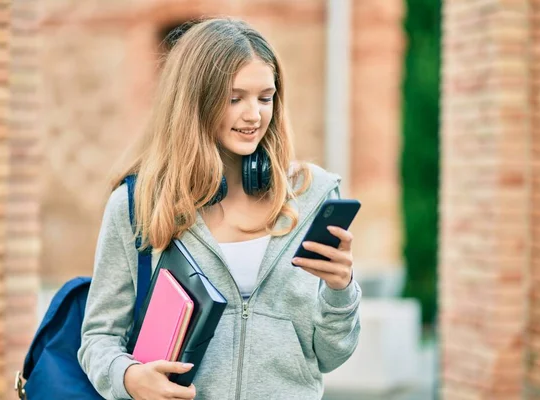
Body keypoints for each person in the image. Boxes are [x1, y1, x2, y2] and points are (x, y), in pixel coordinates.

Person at [78, 17, 361, 400]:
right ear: (195, 102)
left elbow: (331, 355)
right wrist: (128, 377)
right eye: (234, 98)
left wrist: (340, 289)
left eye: (265, 97)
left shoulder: (312, 197)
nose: (254, 115)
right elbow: (98, 338)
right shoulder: (137, 204)